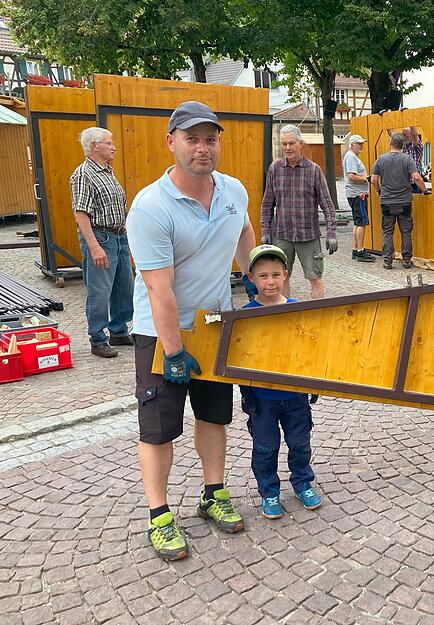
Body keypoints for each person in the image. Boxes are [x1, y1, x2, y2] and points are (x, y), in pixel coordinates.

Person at [126, 101, 257, 560]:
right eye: (192, 139)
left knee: (214, 416)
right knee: (158, 429)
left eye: (210, 139)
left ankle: (213, 493)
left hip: (216, 322)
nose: (203, 148)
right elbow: (159, 290)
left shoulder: (233, 190)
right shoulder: (151, 207)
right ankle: (159, 515)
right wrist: (175, 351)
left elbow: (245, 232)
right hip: (161, 333)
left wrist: (257, 281)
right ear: (172, 142)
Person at [239, 244, 322, 519]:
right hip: (261, 399)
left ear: (285, 275)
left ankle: (302, 482)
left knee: (300, 442)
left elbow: (312, 347)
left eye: (275, 274)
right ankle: (269, 492)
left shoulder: (297, 310)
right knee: (265, 447)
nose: (270, 281)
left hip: (295, 395)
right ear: (251, 278)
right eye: (263, 276)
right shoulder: (245, 316)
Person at [70, 127, 133, 358]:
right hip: (101, 238)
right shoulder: (83, 174)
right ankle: (97, 338)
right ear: (94, 146)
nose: (113, 146)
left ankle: (118, 330)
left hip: (118, 236)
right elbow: (80, 214)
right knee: (100, 291)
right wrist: (94, 247)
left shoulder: (107, 172)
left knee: (124, 287)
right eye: (109, 143)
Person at [261, 124, 338, 300]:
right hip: (282, 235)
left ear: (301, 144)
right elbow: (267, 204)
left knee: (315, 278)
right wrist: (265, 231)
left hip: (308, 236)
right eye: (284, 144)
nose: (287, 148)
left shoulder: (314, 170)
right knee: (281, 279)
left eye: (292, 143)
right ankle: (284, 315)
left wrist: (331, 232)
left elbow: (327, 204)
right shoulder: (275, 169)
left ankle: (316, 317)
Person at [371, 133, 429, 269]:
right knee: (405, 232)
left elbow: (374, 180)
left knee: (387, 232)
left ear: (390, 143)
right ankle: (407, 260)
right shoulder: (407, 159)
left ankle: (387, 261)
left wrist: (380, 191)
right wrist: (425, 191)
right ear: (402, 145)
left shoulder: (381, 159)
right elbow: (417, 177)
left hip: (387, 202)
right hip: (404, 202)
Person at [342, 134, 374, 263]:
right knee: (361, 222)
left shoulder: (351, 156)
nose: (362, 145)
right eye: (359, 143)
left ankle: (356, 249)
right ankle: (360, 250)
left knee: (357, 222)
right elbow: (351, 176)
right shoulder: (351, 157)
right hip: (357, 194)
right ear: (352, 144)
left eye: (362, 143)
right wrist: (367, 178)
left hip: (355, 193)